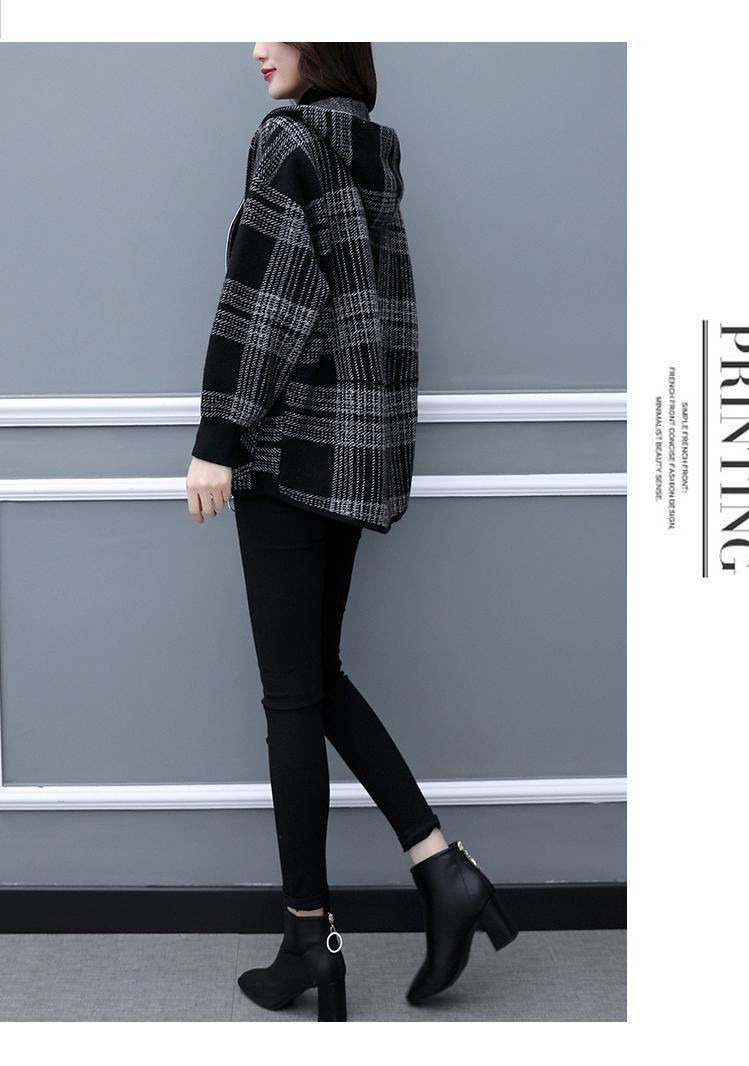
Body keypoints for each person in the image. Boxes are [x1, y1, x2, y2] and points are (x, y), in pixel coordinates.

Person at [185, 42, 518, 1022]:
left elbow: (267, 298)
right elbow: (381, 318)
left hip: (288, 449)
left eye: (277, 24)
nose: (257, 47)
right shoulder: (372, 152)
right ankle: (440, 866)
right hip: (354, 452)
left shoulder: (287, 141)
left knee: (292, 696)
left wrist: (217, 438)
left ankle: (310, 940)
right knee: (316, 679)